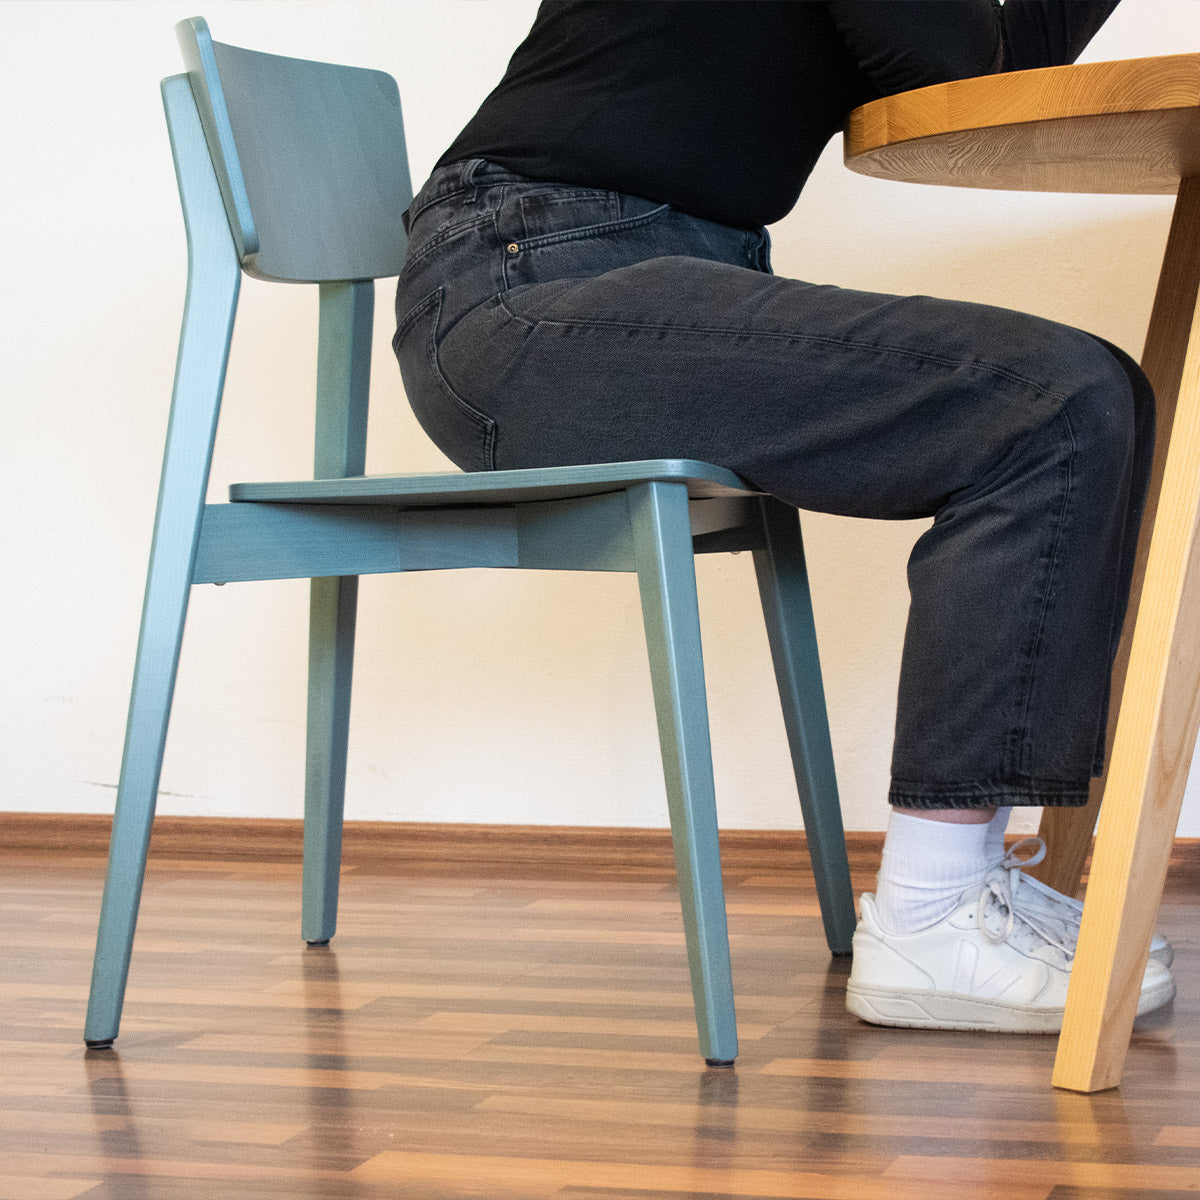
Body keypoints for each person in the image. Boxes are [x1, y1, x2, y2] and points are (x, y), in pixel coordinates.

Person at [393, 0, 1175, 1031]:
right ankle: (932, 910)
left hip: (603, 265)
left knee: (1081, 394)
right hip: (526, 282)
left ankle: (960, 882)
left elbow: (983, 81)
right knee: (1056, 402)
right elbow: (941, 63)